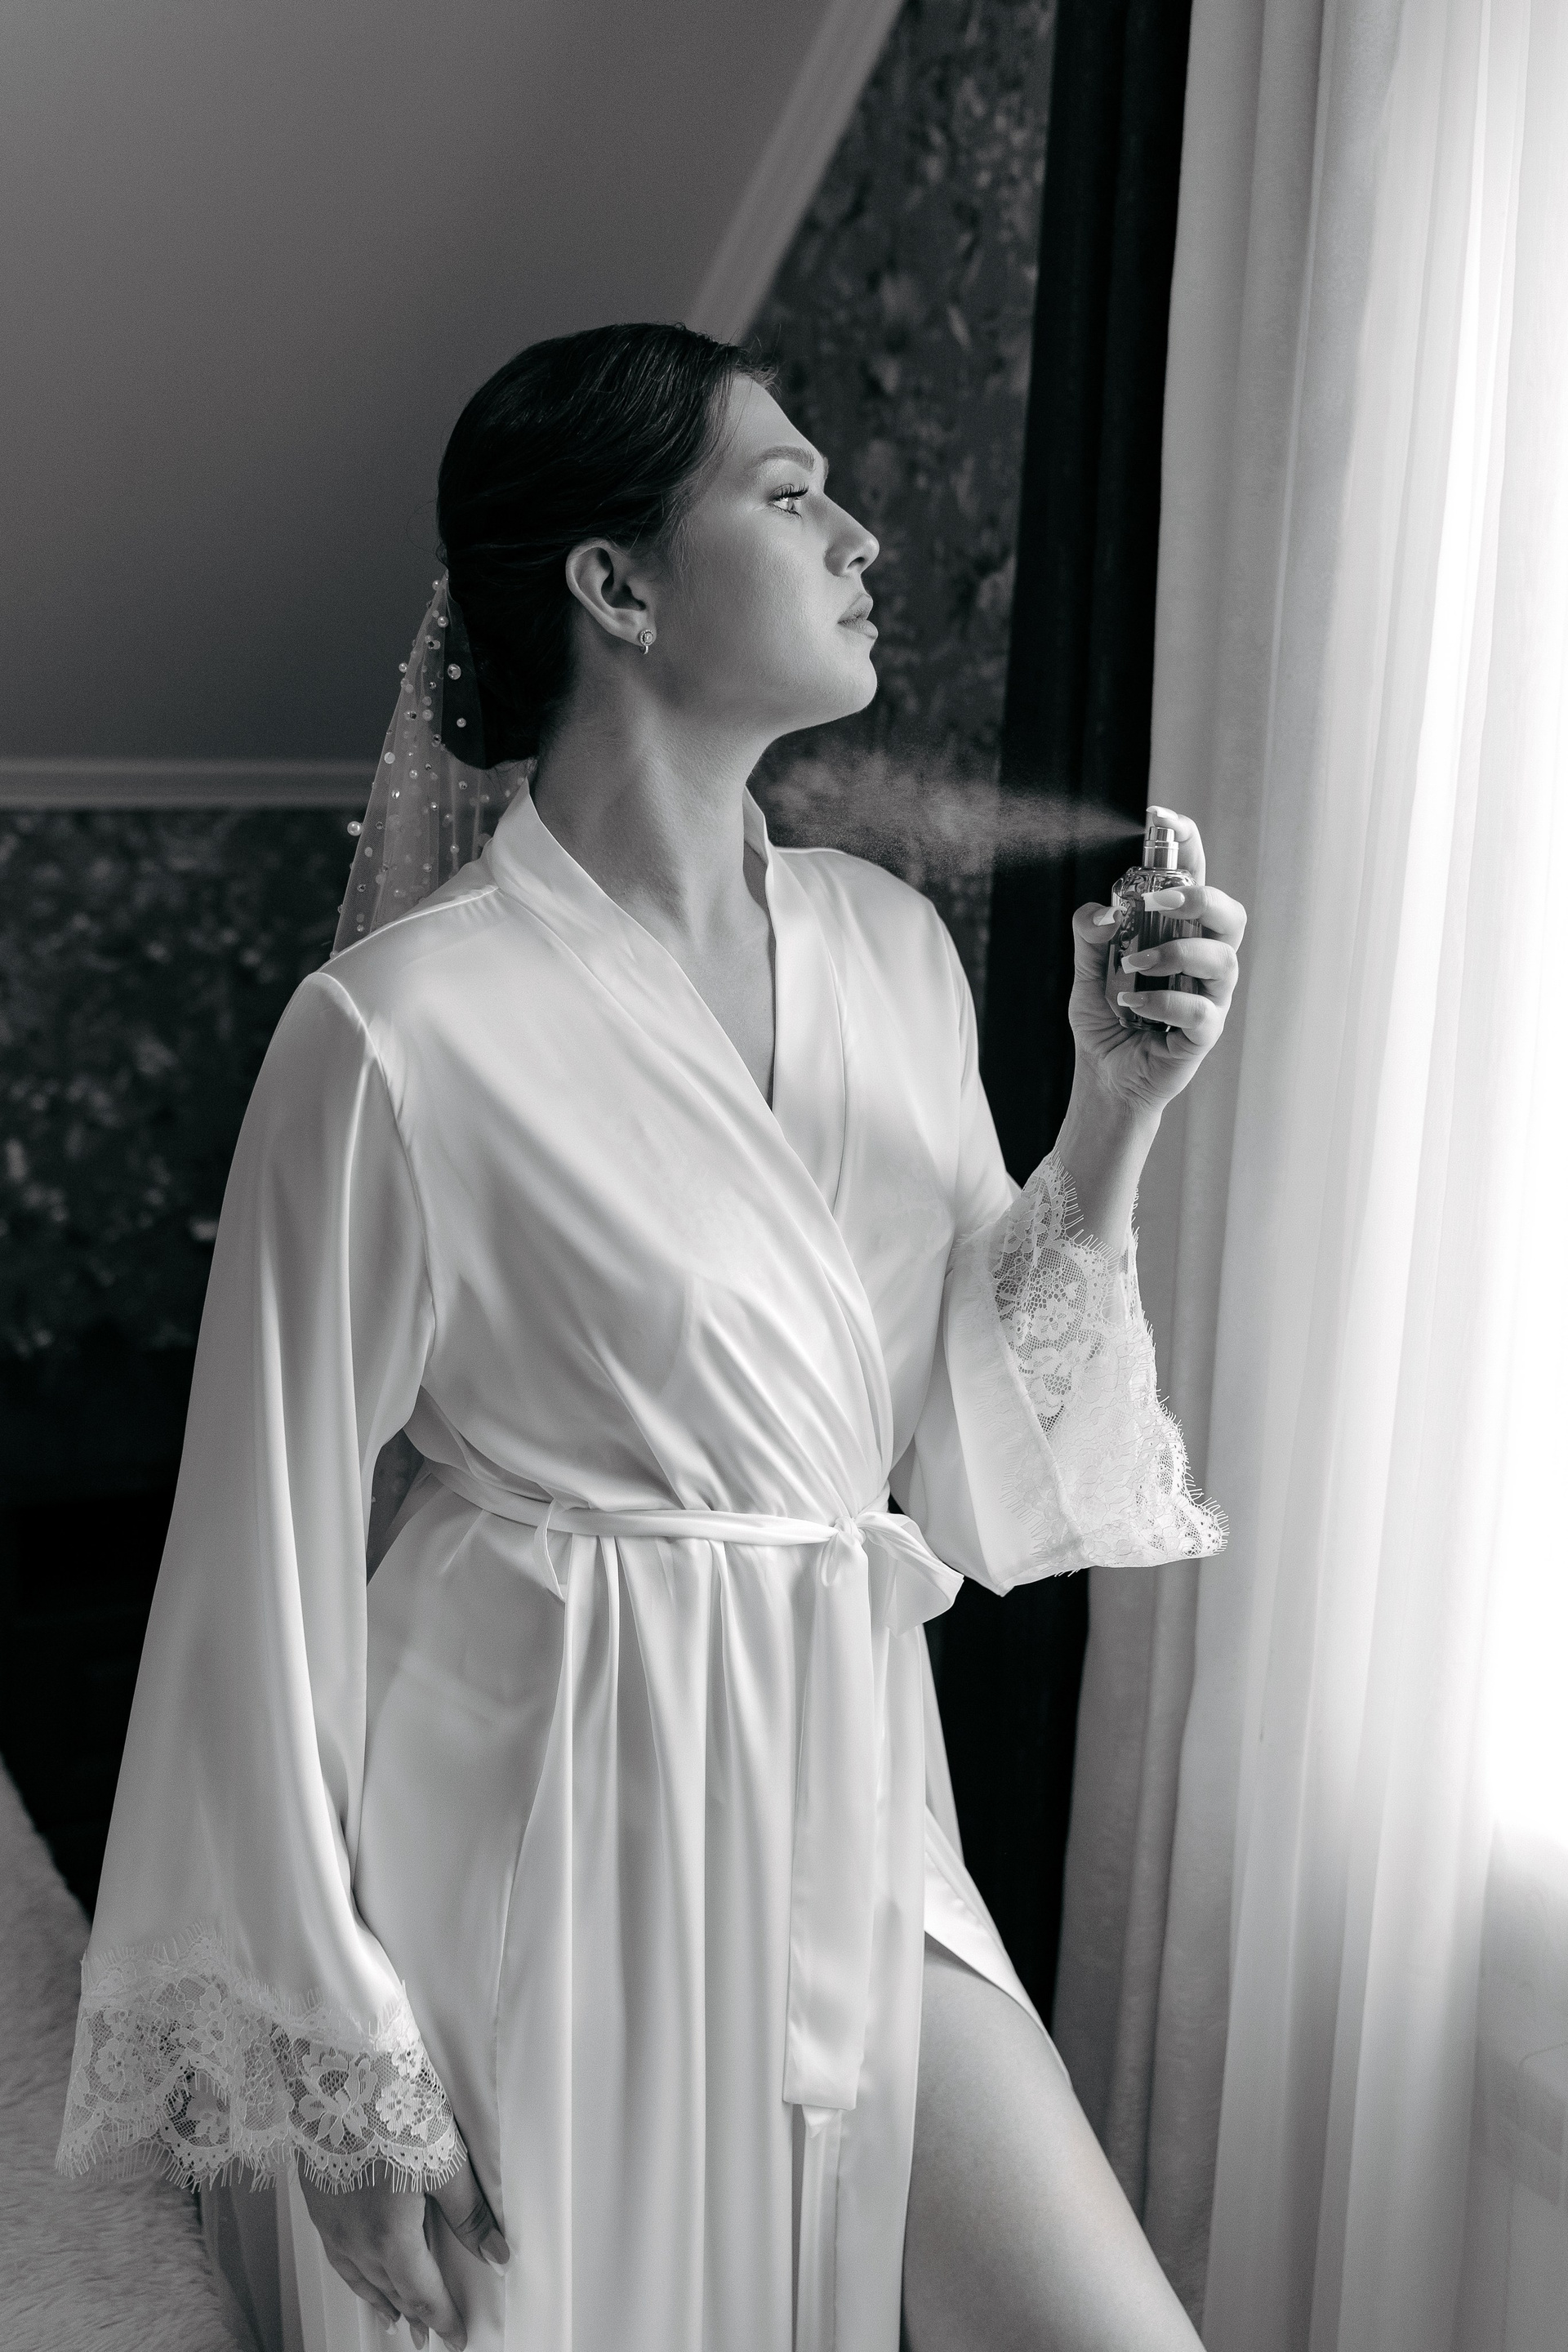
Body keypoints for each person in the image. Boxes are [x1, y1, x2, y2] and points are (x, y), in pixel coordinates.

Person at [57, 323, 1244, 2352]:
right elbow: (257, 1570)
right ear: (614, 584)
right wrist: (340, 2057)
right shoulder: (400, 1032)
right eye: (791, 495)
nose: (861, 536)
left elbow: (973, 1465)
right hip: (538, 1831)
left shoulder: (888, 950)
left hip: (847, 1794)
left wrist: (1114, 1114)